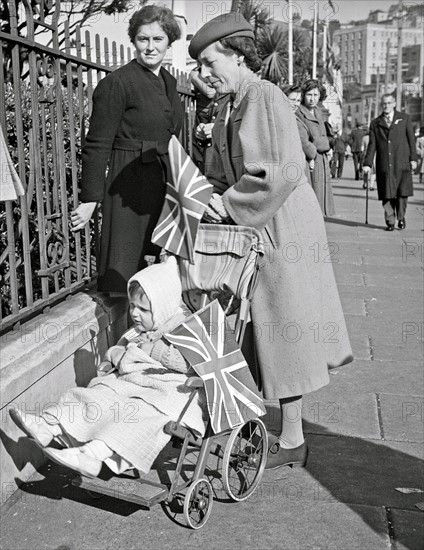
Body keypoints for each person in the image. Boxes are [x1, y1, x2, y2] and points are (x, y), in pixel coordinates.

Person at [189, 12, 353, 470]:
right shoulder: (235, 101)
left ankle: (294, 438)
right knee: (266, 330)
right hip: (266, 222)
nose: (203, 73)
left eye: (208, 62)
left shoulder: (261, 95)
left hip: (281, 226)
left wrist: (228, 203)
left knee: (283, 329)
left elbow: (278, 171)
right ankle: (273, 429)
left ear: (237, 55)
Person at [10, 257, 206, 478]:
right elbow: (125, 345)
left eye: (143, 309)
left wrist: (154, 350)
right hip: (135, 381)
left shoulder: (184, 329)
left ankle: (90, 454)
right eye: (132, 305)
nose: (134, 313)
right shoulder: (141, 329)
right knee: (96, 394)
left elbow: (191, 363)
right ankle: (49, 425)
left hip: (171, 388)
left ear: (163, 308)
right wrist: (116, 353)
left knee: (134, 415)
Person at [70, 5, 183, 294]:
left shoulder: (169, 82)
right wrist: (90, 198)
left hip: (162, 179)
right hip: (128, 182)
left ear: (169, 42)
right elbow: (97, 143)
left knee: (159, 267)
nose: (150, 47)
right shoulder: (117, 83)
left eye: (158, 39)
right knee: (124, 269)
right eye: (143, 39)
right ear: (133, 41)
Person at [363, 93, 418, 231]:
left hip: (402, 162)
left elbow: (411, 140)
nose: (386, 106)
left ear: (394, 103)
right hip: (385, 164)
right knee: (386, 194)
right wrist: (367, 163)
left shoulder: (404, 119)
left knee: (402, 194)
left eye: (389, 103)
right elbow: (372, 145)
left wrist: (413, 159)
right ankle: (390, 220)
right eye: (384, 103)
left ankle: (400, 216)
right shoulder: (376, 123)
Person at [296, 79, 335, 216]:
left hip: (321, 158)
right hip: (310, 160)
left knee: (321, 194)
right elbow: (303, 140)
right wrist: (317, 151)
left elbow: (322, 135)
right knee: (312, 195)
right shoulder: (299, 113)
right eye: (309, 95)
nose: (312, 99)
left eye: (315, 95)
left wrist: (327, 147)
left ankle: (319, 220)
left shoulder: (318, 112)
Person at [190, 67, 227, 173]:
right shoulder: (197, 71)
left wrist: (195, 78)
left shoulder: (212, 71)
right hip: (202, 115)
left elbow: (210, 92)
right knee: (200, 149)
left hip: (215, 113)